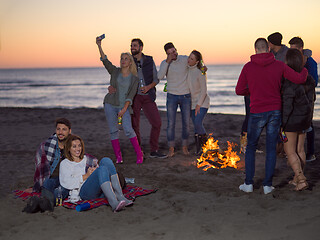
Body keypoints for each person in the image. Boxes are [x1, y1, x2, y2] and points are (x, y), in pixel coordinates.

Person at [235, 38, 308, 195]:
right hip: (275, 111)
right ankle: (267, 186)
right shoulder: (279, 65)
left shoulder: (248, 67)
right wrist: (304, 67)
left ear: (255, 50)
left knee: (251, 147)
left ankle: (248, 183)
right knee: (270, 148)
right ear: (268, 48)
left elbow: (239, 90)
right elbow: (300, 78)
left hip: (256, 112)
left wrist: (253, 92)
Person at [96, 36, 143, 164]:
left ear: (130, 62)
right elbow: (105, 61)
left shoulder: (134, 79)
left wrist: (124, 109)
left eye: (126, 58)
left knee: (128, 129)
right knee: (113, 131)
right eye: (122, 58)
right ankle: (119, 157)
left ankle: (139, 155)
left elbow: (131, 95)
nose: (123, 60)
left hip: (124, 106)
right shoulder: (115, 72)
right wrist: (99, 45)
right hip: (110, 104)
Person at [59, 135, 132, 212]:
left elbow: (101, 172)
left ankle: (120, 196)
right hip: (83, 192)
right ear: (68, 148)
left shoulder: (87, 158)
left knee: (106, 160)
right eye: (74, 146)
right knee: (101, 169)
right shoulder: (65, 163)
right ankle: (113, 203)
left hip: (97, 188)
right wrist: (85, 176)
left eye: (79, 146)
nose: (78, 149)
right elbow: (66, 182)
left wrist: (95, 171)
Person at [23, 118, 74, 213]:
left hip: (65, 180)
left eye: (64, 129)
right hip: (51, 178)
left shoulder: (73, 145)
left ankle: (41, 204)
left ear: (69, 131)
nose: (61, 132)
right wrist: (37, 185)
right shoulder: (46, 145)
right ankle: (45, 204)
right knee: (47, 184)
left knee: (59, 191)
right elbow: (40, 167)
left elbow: (82, 158)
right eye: (58, 129)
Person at [281, 48, 315, 191]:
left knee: (290, 151)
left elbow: (287, 105)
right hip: (305, 119)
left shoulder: (289, 80)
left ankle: (301, 179)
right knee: (300, 149)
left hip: (292, 121)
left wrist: (282, 123)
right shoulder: (309, 78)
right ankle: (296, 178)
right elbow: (312, 99)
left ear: (288, 61)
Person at [130, 38, 167, 159]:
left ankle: (154, 150)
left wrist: (148, 87)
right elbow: (122, 77)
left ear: (141, 47)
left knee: (157, 123)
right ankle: (138, 150)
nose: (132, 48)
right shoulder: (129, 61)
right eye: (131, 46)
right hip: (134, 97)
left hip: (148, 96)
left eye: (135, 46)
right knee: (135, 125)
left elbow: (156, 79)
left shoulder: (149, 60)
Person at [158, 42, 191, 157]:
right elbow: (160, 76)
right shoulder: (165, 63)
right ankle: (171, 148)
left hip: (186, 96)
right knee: (170, 124)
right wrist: (167, 61)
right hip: (171, 96)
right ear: (166, 54)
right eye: (170, 53)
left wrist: (202, 66)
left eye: (174, 51)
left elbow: (197, 61)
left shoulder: (185, 59)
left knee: (186, 124)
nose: (173, 54)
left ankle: (184, 147)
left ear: (176, 49)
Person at [289, 36, 318, 162]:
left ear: (301, 48)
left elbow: (314, 82)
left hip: (308, 98)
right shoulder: (294, 60)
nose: (292, 52)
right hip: (296, 97)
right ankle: (295, 151)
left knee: (308, 124)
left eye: (294, 49)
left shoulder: (310, 62)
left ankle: (311, 153)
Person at [186, 50, 210, 155]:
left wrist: (198, 105)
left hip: (202, 101)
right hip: (191, 103)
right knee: (196, 126)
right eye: (189, 57)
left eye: (192, 59)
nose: (189, 60)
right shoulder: (186, 69)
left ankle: (206, 147)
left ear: (196, 62)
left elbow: (204, 90)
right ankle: (199, 150)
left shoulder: (201, 72)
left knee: (197, 123)